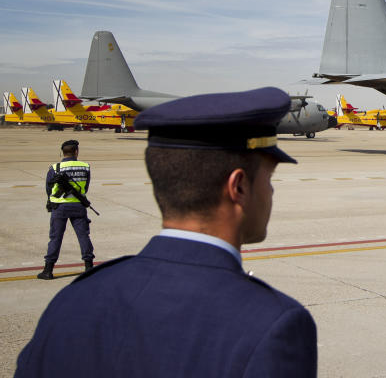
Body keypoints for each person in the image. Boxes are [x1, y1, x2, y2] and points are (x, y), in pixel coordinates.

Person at [16, 87, 318, 377]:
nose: (272, 190)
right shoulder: (273, 325)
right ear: (238, 186)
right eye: (269, 177)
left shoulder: (72, 302)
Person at [37, 139, 94, 279]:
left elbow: (48, 188)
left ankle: (48, 270)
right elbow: (85, 188)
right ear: (76, 152)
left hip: (59, 207)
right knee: (83, 236)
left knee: (55, 238)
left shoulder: (55, 168)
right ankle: (89, 267)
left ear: (62, 153)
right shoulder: (85, 166)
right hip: (79, 206)